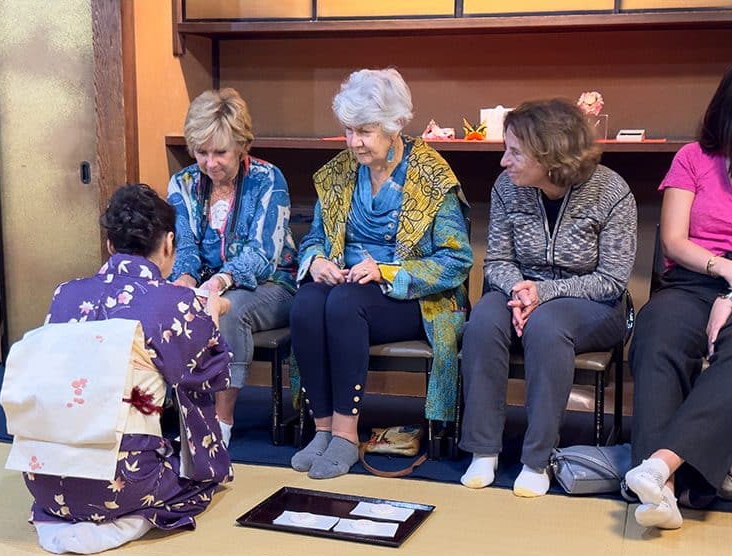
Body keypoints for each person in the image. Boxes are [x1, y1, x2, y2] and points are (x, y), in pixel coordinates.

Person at [15, 184, 233, 554]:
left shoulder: (64, 293)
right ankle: (129, 516)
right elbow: (207, 375)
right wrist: (209, 322)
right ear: (167, 244)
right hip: (123, 481)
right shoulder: (174, 302)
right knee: (202, 479)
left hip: (43, 478)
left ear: (110, 247)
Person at [289, 68, 472, 479]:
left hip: (412, 297)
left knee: (343, 304)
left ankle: (346, 436)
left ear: (395, 127)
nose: (354, 142)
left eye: (365, 132)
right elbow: (315, 238)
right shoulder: (339, 173)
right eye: (349, 131)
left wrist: (386, 270)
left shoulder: (430, 176)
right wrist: (317, 260)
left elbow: (456, 260)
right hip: (347, 286)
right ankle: (321, 430)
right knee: (305, 303)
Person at [459, 99, 637, 497]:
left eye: (515, 152)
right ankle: (483, 450)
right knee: (485, 319)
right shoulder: (507, 188)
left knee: (548, 323)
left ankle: (538, 458)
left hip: (596, 305)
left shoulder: (611, 191)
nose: (504, 161)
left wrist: (544, 293)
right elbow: (498, 261)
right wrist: (522, 292)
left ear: (551, 155)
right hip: (521, 293)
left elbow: (611, 279)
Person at [625, 70, 732, 530]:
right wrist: (724, 270)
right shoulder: (693, 157)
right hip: (694, 278)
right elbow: (673, 240)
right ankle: (662, 495)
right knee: (657, 332)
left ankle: (660, 465)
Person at [167, 88, 298, 446]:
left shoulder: (268, 179)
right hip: (208, 283)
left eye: (220, 152)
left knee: (228, 309)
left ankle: (220, 423)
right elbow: (185, 245)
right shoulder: (184, 183)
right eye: (202, 152)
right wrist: (185, 278)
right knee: (165, 301)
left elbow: (263, 253)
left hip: (271, 285)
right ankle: (173, 412)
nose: (210, 163)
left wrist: (222, 280)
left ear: (242, 145)